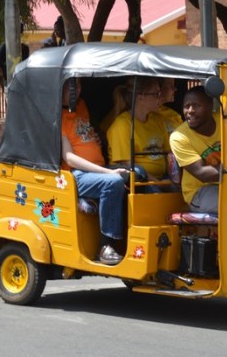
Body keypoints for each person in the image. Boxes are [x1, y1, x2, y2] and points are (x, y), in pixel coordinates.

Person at [61, 78, 127, 265]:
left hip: (98, 170)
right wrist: (106, 173)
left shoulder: (82, 105)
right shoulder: (57, 116)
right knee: (113, 182)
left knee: (136, 172)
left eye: (80, 84)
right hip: (77, 175)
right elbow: (69, 158)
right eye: (72, 85)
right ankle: (106, 246)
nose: (78, 89)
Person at [169, 86, 220, 214]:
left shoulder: (226, 122)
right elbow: (202, 173)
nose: (190, 111)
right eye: (187, 106)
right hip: (200, 192)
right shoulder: (179, 137)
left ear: (210, 106)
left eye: (196, 105)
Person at [106, 77, 169, 181]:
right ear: (140, 98)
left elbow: (169, 154)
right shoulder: (122, 125)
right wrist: (159, 184)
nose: (161, 97)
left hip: (162, 179)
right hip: (139, 182)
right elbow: (127, 164)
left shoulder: (158, 120)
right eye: (156, 94)